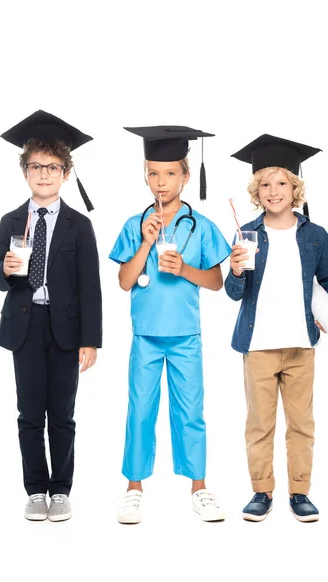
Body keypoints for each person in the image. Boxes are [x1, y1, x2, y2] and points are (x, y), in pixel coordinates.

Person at [109, 125, 230, 523]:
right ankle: (133, 488)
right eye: (153, 174)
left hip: (185, 336)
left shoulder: (202, 226)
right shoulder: (134, 224)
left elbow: (216, 282)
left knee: (190, 411)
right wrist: (145, 243)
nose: (161, 182)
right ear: (145, 175)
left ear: (186, 176)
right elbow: (126, 281)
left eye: (170, 173)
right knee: (140, 410)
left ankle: (199, 487)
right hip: (146, 336)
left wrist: (185, 269)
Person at [225, 134, 328, 522]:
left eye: (282, 183)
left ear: (295, 187)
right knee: (259, 424)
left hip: (300, 345)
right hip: (258, 345)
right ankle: (262, 491)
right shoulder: (246, 234)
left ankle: (300, 492)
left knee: (301, 424)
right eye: (265, 184)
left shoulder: (314, 235)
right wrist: (236, 268)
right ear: (255, 190)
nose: (273, 191)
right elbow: (233, 292)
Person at [0, 110, 102, 521]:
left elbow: (91, 287)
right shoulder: (11, 221)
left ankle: (62, 488)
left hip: (66, 329)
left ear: (66, 173)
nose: (44, 174)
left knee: (63, 414)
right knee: (30, 413)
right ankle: (36, 490)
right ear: (24, 171)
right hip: (25, 325)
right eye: (35, 166)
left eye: (52, 167)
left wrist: (91, 339)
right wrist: (4, 270)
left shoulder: (78, 225)